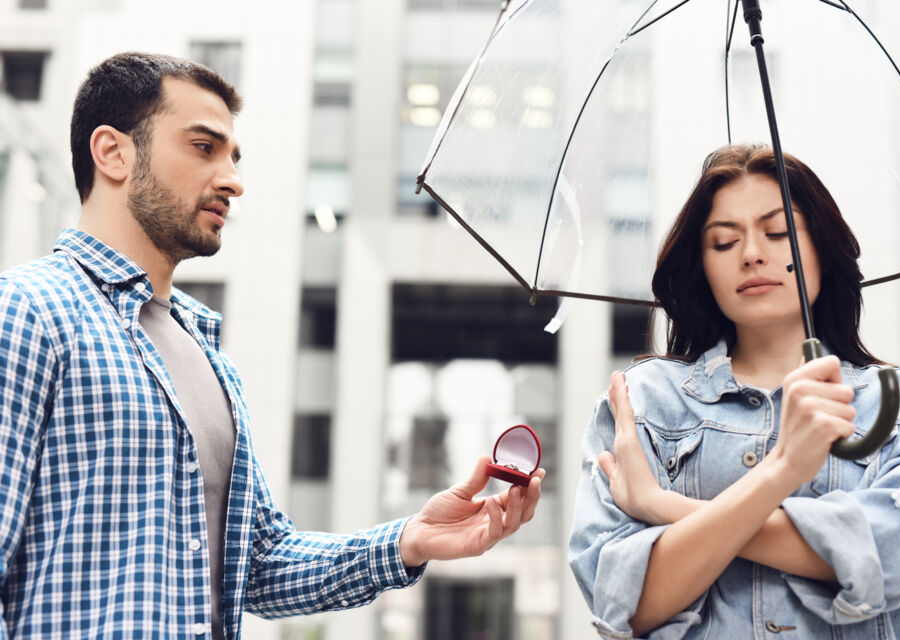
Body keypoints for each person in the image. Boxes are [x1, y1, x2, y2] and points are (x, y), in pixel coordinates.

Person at [0, 52, 544, 639]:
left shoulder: (209, 360)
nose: (233, 180)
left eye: (234, 157)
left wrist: (409, 541)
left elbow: (258, 562)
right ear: (113, 152)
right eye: (203, 148)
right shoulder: (28, 311)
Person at [568, 144, 900, 639]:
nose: (753, 254)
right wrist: (783, 471)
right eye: (724, 243)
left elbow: (887, 559)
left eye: (778, 233)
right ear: (702, 267)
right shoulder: (642, 404)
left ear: (821, 246)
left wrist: (661, 506)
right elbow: (624, 603)